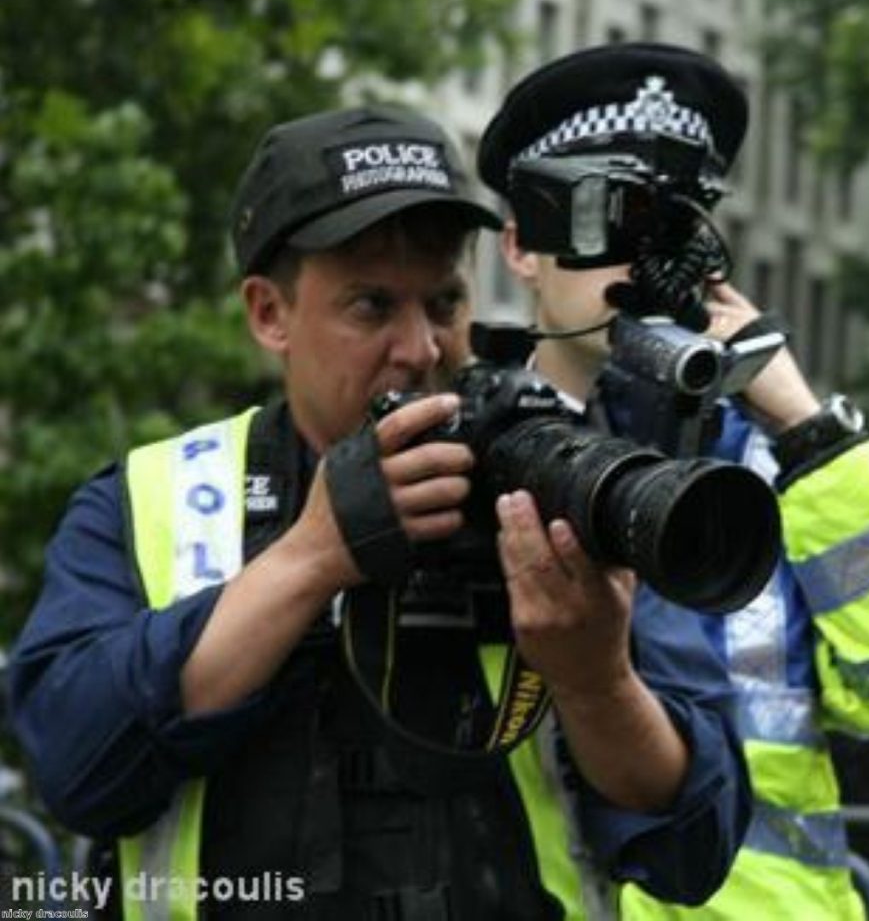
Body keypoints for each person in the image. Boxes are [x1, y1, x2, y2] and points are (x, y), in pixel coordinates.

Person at [7, 104, 752, 919]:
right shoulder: (158, 496)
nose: (421, 349)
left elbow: (697, 848)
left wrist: (596, 680)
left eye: (443, 303)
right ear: (269, 313)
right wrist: (312, 557)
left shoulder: (558, 486)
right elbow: (76, 768)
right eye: (371, 307)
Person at [478, 42, 869, 920]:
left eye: (671, 223)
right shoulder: (456, 449)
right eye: (612, 218)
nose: (640, 263)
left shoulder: (781, 467)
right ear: (524, 242)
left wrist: (805, 425)